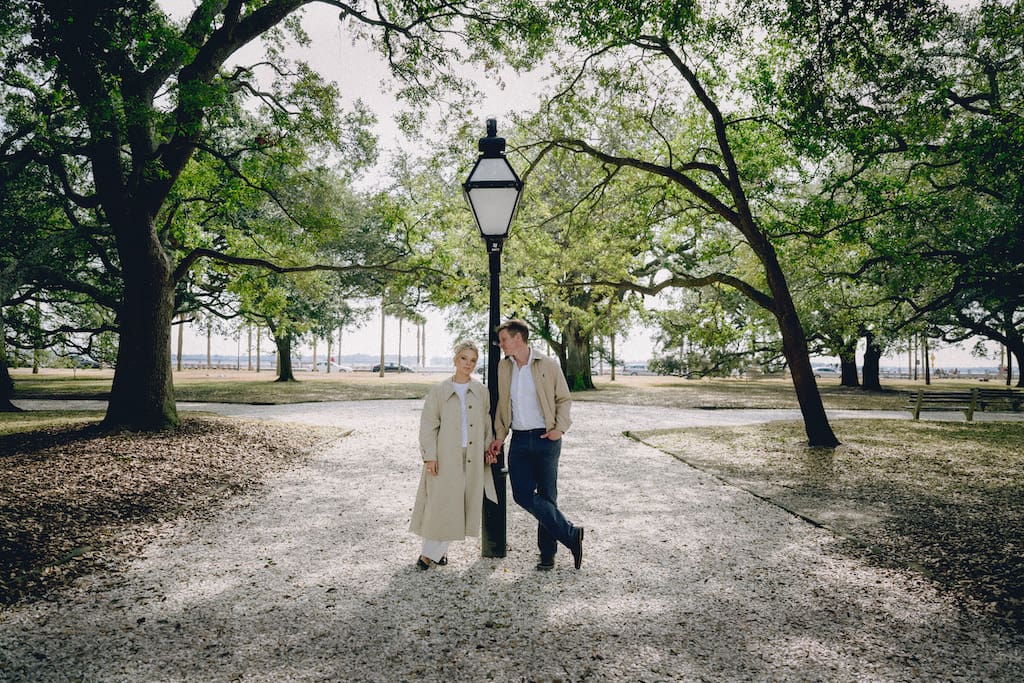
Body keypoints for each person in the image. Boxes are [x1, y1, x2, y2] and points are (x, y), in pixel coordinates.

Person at [487, 319, 584, 570]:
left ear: (518, 338)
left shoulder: (548, 365)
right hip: (519, 439)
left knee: (547, 496)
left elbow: (563, 399)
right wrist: (499, 436)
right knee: (522, 495)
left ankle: (547, 555)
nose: (501, 344)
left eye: (504, 339)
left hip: (546, 438)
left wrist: (559, 429)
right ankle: (571, 534)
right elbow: (502, 404)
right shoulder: (504, 367)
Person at [410, 341, 497, 570]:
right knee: (441, 503)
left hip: (473, 455)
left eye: (473, 360)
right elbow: (428, 425)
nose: (468, 364)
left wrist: (488, 448)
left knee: (461, 504)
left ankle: (436, 553)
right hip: (445, 455)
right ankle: (429, 554)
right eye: (464, 358)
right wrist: (430, 456)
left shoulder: (481, 391)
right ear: (455, 360)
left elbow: (486, 424)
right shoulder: (439, 391)